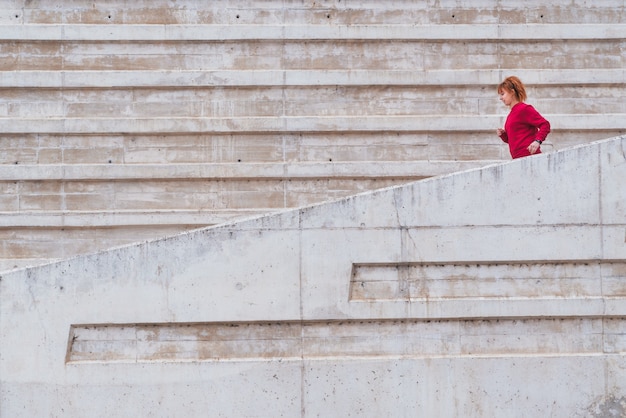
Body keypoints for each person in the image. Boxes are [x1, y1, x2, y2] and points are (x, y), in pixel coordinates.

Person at [496, 76, 551, 159]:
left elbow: (545, 125)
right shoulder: (511, 115)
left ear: (512, 92)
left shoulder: (524, 109)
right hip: (518, 160)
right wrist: (503, 135)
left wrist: (537, 141)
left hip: (530, 158)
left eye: (503, 94)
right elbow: (514, 140)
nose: (501, 98)